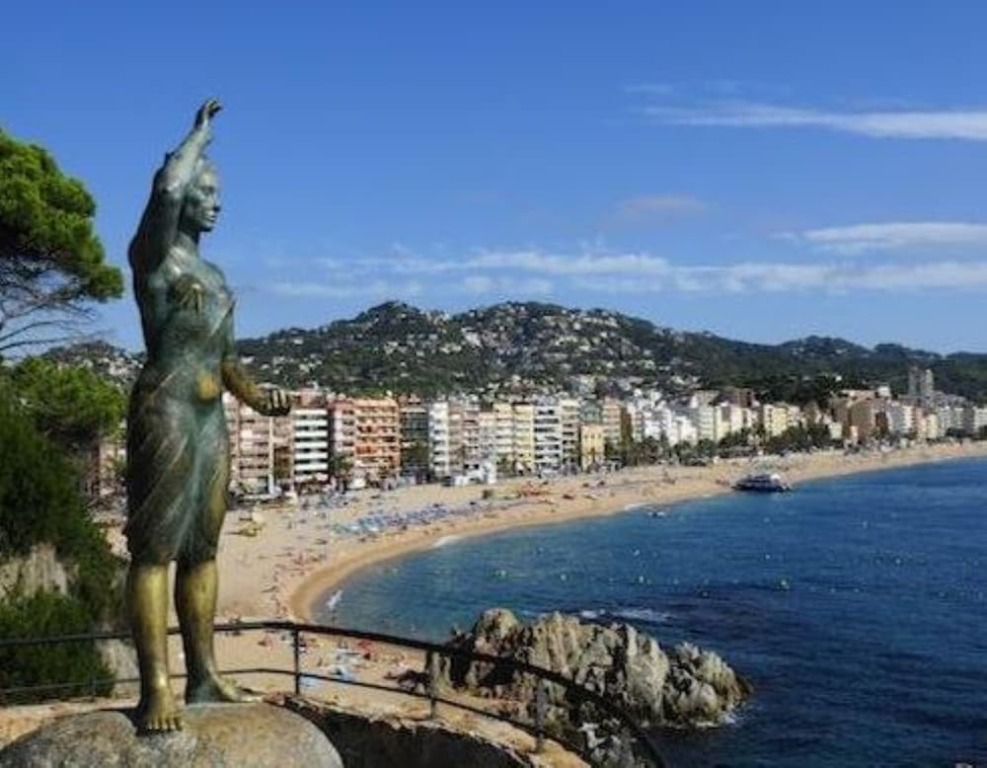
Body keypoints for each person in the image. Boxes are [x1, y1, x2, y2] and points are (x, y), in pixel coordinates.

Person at [125, 99, 290, 732]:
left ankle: (204, 674)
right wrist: (197, 139)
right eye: (208, 192)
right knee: (154, 552)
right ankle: (156, 688)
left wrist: (259, 397)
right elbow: (167, 188)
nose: (217, 203)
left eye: (219, 193)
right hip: (165, 411)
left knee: (202, 549)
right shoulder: (152, 258)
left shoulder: (217, 278)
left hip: (209, 418)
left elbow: (226, 361)